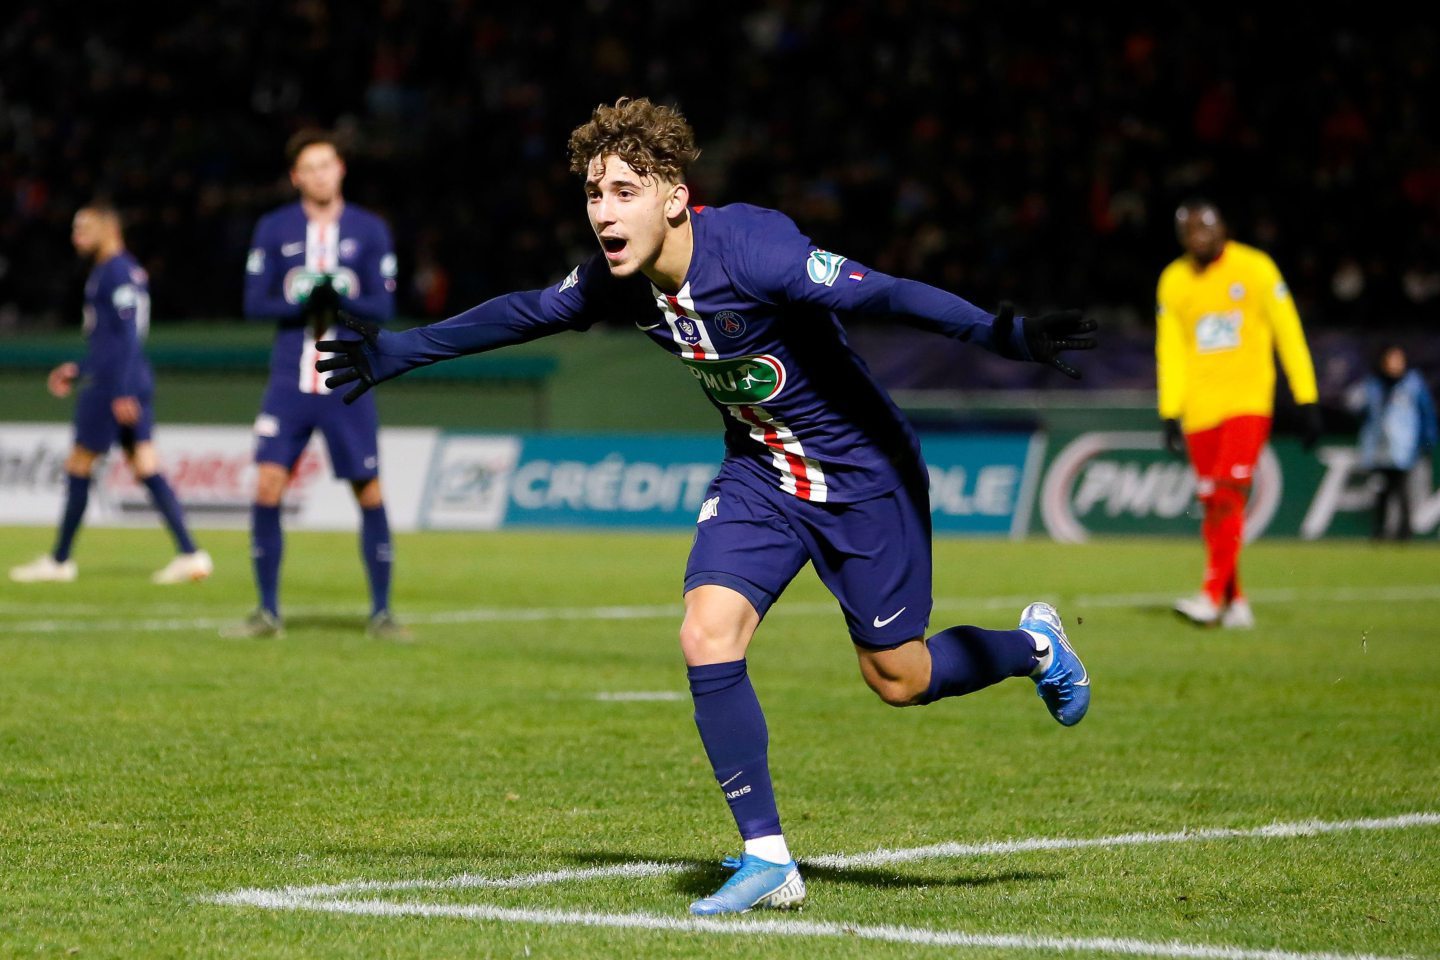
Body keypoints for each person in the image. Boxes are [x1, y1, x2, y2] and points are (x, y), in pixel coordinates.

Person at [316, 97, 1094, 914]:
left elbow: (885, 293)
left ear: (674, 197)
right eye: (593, 193)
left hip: (863, 474)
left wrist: (999, 334)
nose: (604, 212)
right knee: (704, 631)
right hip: (760, 474)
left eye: (625, 191)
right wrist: (397, 351)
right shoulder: (617, 283)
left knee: (899, 677)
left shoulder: (757, 251)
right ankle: (768, 858)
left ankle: (1035, 648)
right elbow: (521, 314)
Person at [224, 130, 406, 640]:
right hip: (289, 381)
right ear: (296, 177)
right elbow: (253, 303)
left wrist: (338, 301)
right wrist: (302, 304)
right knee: (267, 484)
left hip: (347, 378)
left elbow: (385, 306)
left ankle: (382, 612)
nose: (321, 174)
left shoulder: (369, 230)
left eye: (328, 164)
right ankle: (266, 611)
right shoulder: (274, 227)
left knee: (368, 490)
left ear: (341, 169)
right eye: (311, 167)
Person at [10, 204, 212, 585]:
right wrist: (80, 368)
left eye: (84, 228)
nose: (76, 236)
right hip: (126, 378)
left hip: (114, 386)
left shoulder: (116, 272)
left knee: (79, 464)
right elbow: (109, 341)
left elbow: (128, 335)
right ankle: (191, 554)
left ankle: (59, 561)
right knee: (146, 466)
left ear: (108, 228)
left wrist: (120, 389)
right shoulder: (114, 271)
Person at [1156, 199, 1321, 629]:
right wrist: (1170, 410)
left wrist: (1306, 397)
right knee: (1214, 503)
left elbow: (1289, 332)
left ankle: (1211, 597)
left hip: (1247, 402)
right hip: (1199, 411)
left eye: (1205, 229)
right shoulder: (1173, 281)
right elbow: (1170, 351)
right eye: (1190, 231)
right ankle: (1237, 602)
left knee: (1228, 493)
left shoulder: (1256, 268)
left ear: (1222, 229)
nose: (1199, 237)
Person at [1346, 344, 1437, 540]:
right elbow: (1357, 408)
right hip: (1378, 448)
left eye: (1398, 360)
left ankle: (1404, 532)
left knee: (1402, 490)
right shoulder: (1372, 384)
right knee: (1381, 490)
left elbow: (1426, 413)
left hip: (1403, 447)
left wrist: (1427, 441)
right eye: (1390, 360)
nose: (1394, 364)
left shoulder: (1413, 384)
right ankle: (1379, 532)